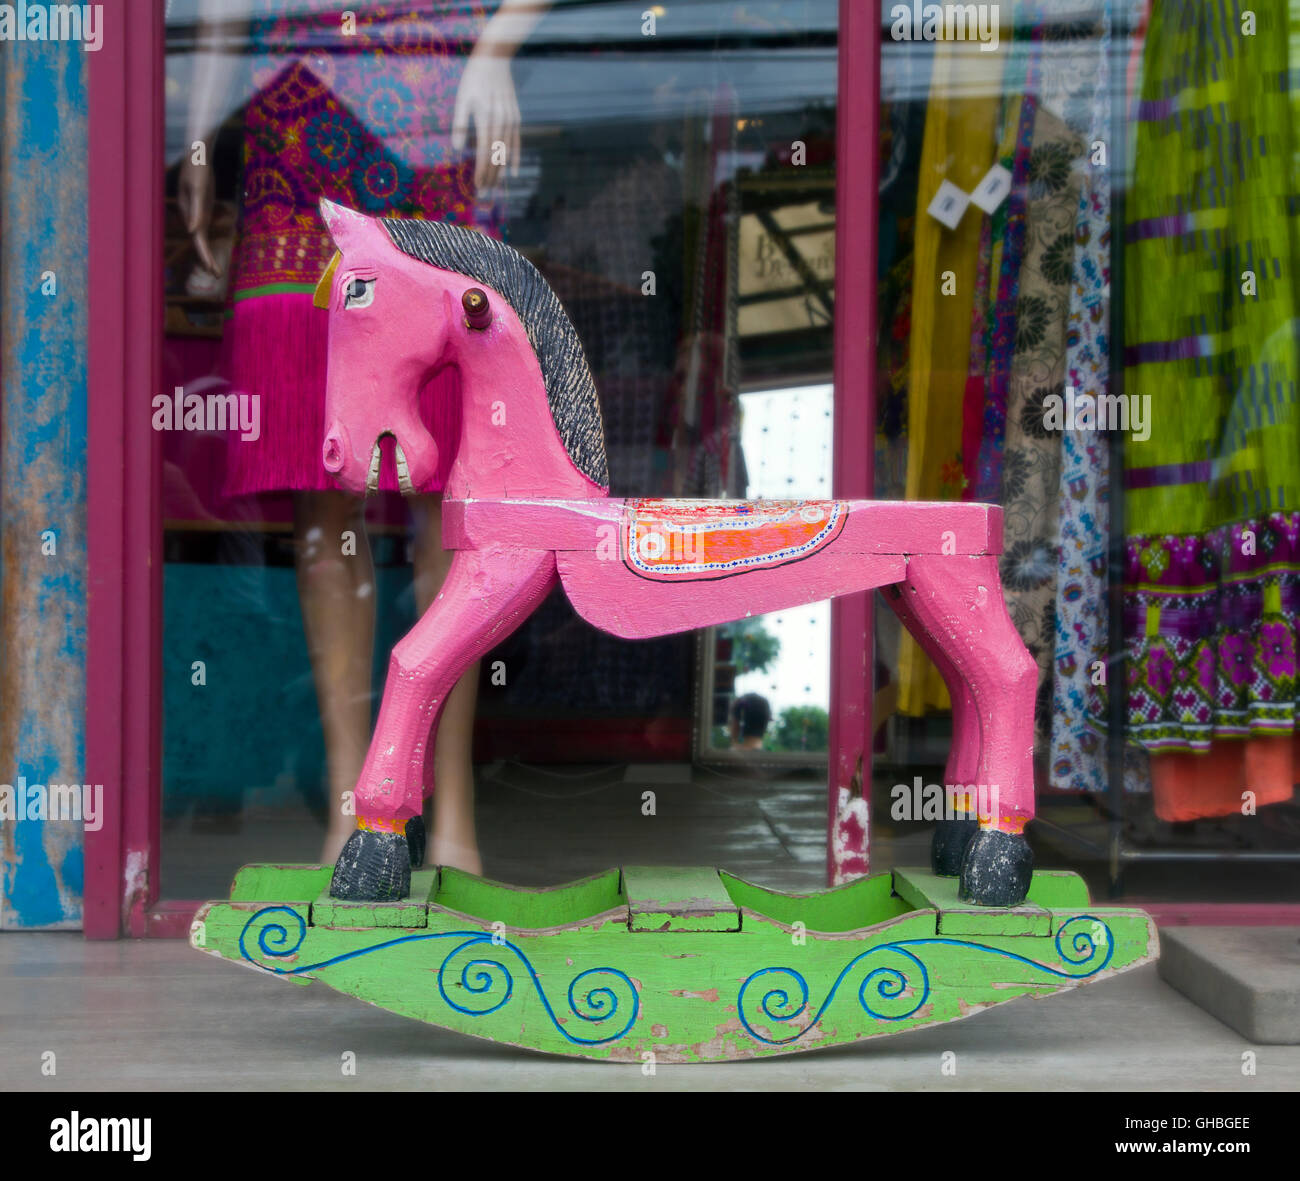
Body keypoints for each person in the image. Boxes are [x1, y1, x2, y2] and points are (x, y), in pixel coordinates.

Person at [179, 0, 551, 869]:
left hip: (435, 94)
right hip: (296, 108)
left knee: (454, 504)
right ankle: (353, 802)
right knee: (325, 488)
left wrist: (498, 43)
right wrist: (199, 139)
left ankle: (451, 802)